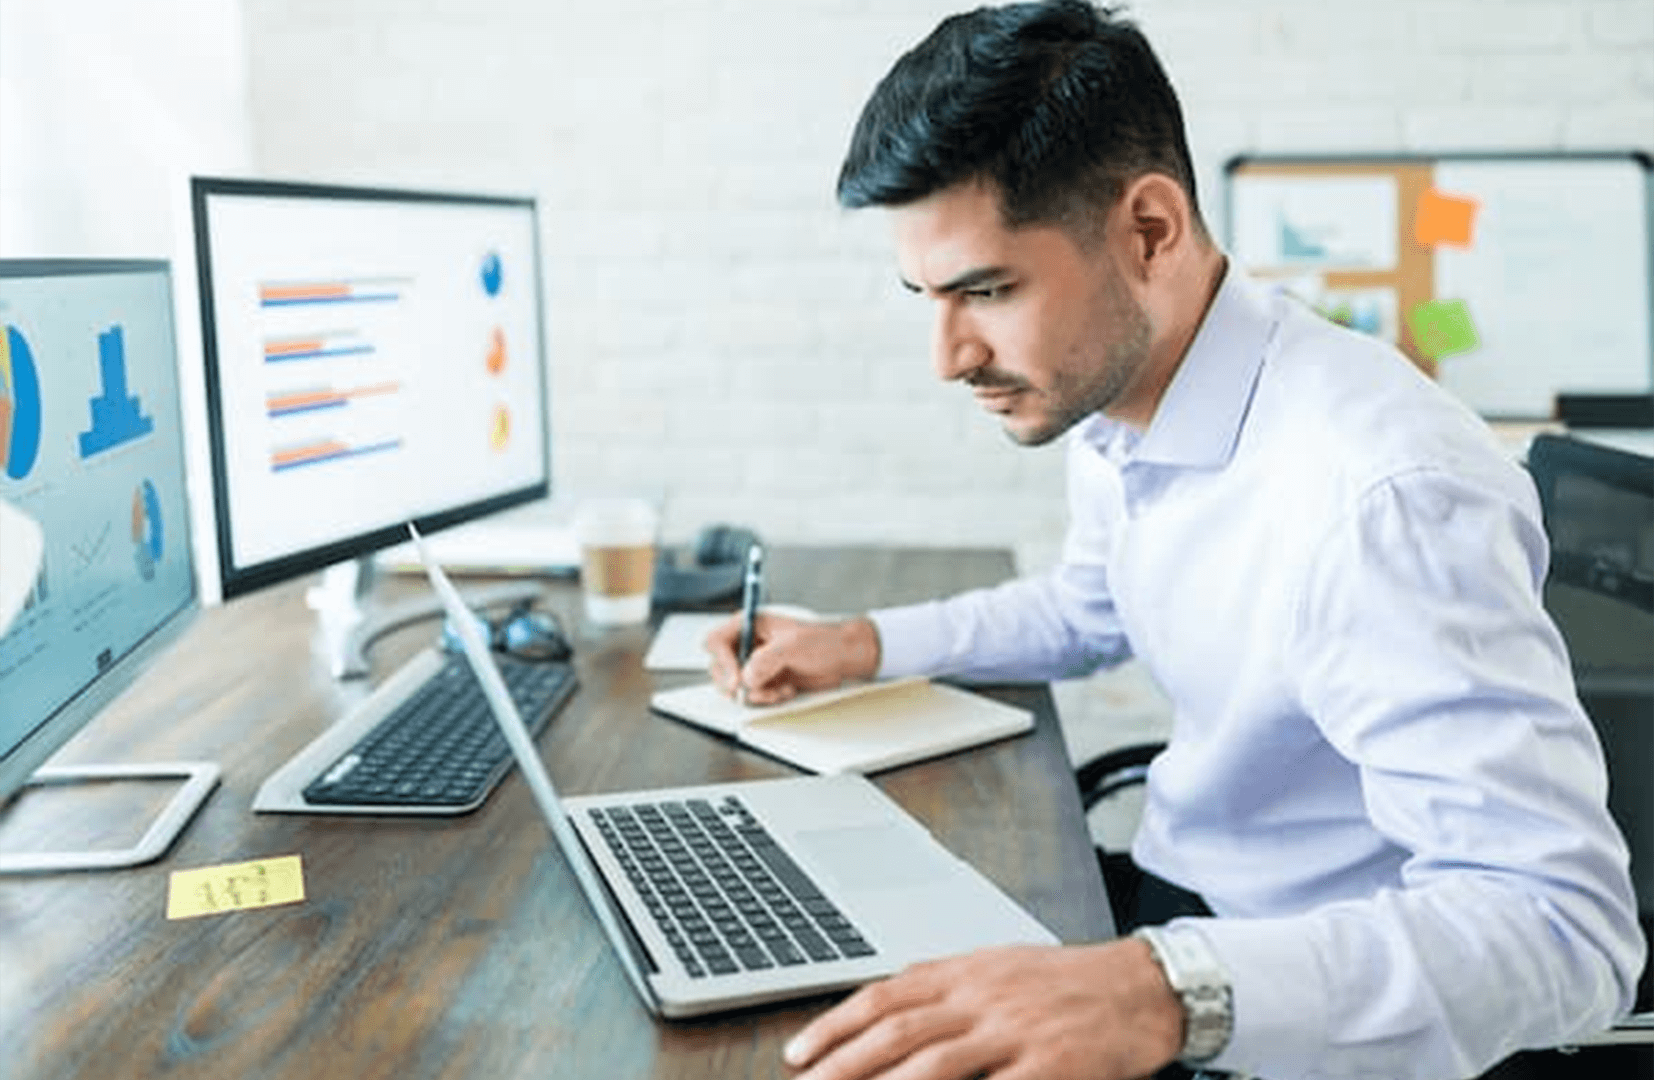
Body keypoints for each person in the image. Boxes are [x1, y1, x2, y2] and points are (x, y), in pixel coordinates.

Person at [702, 3, 1647, 1079]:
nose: (948, 355)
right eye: (924, 296)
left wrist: (1161, 992)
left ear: (1147, 230)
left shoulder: (1380, 496)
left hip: (1301, 1012)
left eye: (986, 290)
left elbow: (1565, 931)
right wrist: (865, 641)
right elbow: (1086, 605)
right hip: (1184, 917)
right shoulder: (1121, 391)